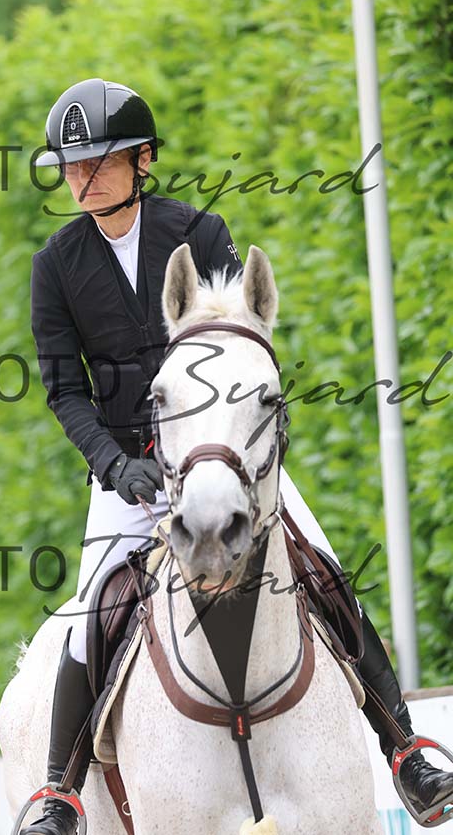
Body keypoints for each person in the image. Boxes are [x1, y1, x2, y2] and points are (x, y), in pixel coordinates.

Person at [24, 78, 453, 835]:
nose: (81, 179)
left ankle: (406, 750)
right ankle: (59, 792)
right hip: (129, 476)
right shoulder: (56, 264)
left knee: (323, 568)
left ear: (143, 159)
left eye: (98, 162)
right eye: (71, 167)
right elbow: (65, 391)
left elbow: (238, 339)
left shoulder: (198, 231)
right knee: (92, 610)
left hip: (223, 459)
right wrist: (115, 466)